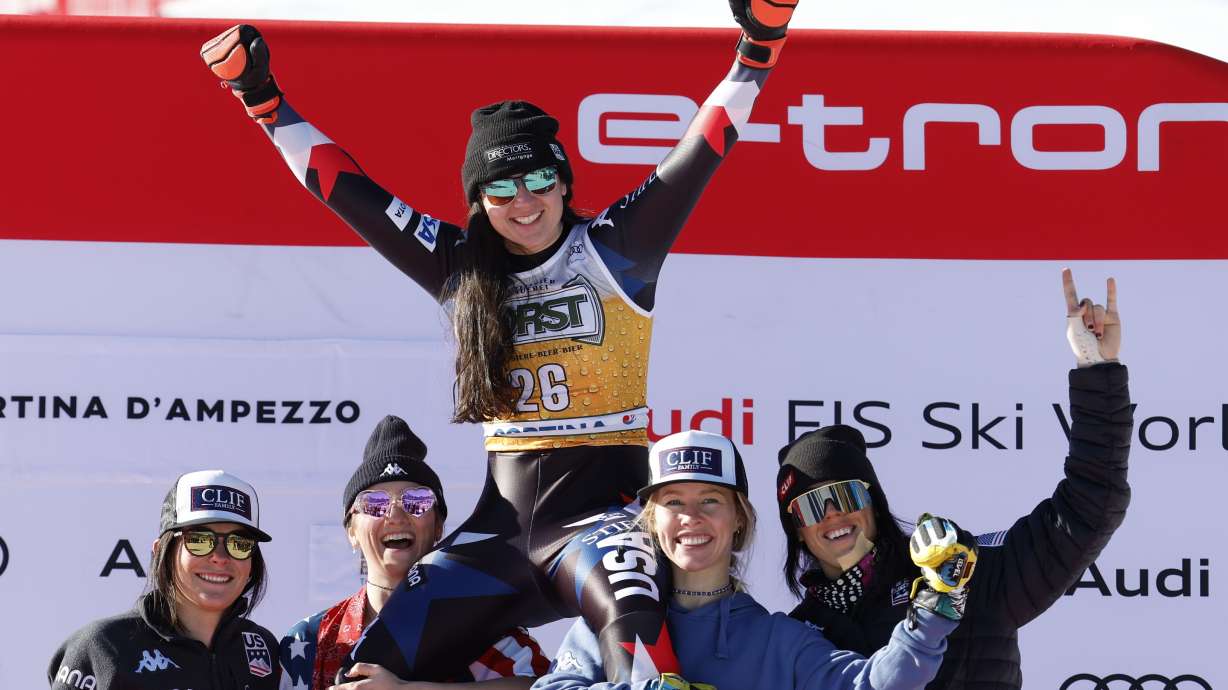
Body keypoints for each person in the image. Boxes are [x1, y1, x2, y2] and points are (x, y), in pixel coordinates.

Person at [201, 0, 801, 684]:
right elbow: (350, 193)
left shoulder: (616, 248)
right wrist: (263, 101)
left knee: (635, 644)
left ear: (563, 181)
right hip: (498, 539)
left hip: (602, 526)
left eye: (540, 180)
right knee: (371, 669)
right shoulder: (461, 269)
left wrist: (757, 50)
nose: (525, 201)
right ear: (479, 201)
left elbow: (700, 148)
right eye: (502, 188)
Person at [775, 269, 1131, 689]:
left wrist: (1097, 371)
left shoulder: (963, 567)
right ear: (797, 530)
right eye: (812, 506)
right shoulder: (798, 636)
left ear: (873, 502)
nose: (833, 515)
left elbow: (1089, 507)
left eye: (846, 495)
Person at [533, 429, 976, 690]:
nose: (691, 518)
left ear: (740, 521)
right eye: (673, 502)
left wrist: (934, 609)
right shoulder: (615, 617)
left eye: (710, 500)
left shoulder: (780, 641)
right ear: (652, 522)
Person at [280, 415, 549, 690]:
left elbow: (547, 686)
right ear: (351, 531)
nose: (396, 515)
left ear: (438, 527)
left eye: (416, 501)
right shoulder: (310, 640)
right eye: (374, 503)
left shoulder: (484, 630)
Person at [48, 470, 279, 689]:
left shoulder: (263, 647)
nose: (219, 557)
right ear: (161, 552)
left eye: (239, 544)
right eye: (199, 540)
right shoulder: (102, 647)